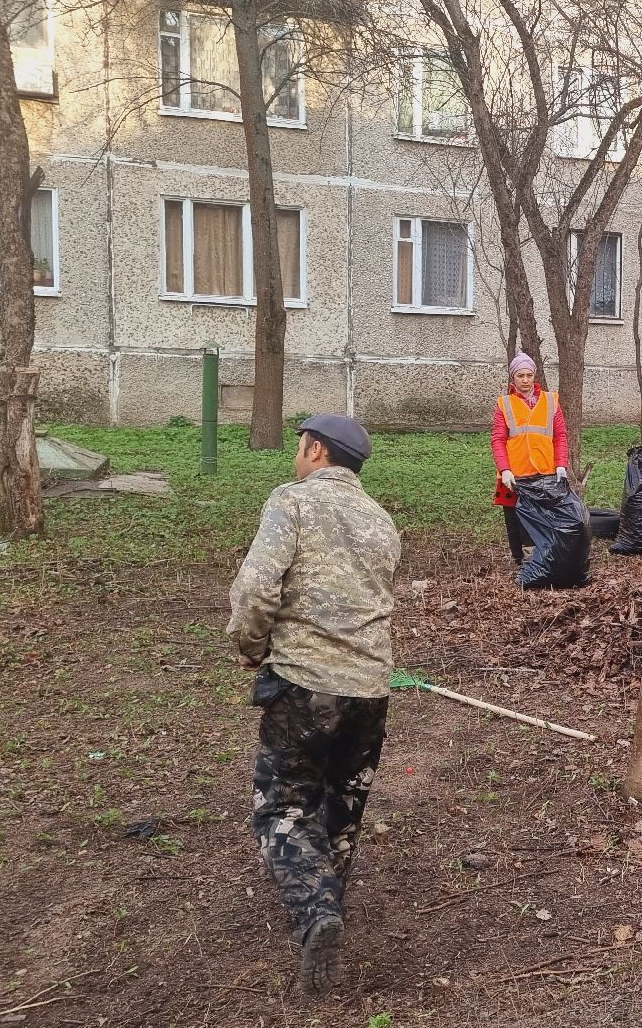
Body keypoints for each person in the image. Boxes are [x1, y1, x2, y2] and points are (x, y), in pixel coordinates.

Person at [228, 414, 402, 997]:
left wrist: (252, 648)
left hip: (305, 685)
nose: (297, 458)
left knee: (284, 806)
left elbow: (256, 586)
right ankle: (328, 908)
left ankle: (316, 913)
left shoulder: (293, 502)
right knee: (343, 805)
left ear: (318, 450)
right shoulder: (382, 521)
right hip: (371, 690)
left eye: (301, 448)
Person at [492, 353, 569, 564]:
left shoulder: (550, 401)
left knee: (542, 517)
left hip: (544, 472)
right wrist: (505, 469)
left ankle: (540, 559)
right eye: (520, 376)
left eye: (529, 375)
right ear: (513, 378)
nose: (525, 380)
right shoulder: (504, 404)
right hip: (515, 474)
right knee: (515, 519)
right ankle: (521, 560)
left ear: (534, 376)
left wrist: (561, 464)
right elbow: (498, 440)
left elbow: (560, 435)